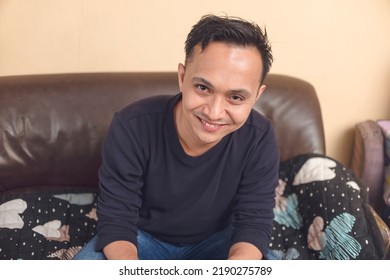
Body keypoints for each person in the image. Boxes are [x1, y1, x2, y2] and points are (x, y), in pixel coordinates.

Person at [73, 14, 279, 260]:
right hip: (140, 237)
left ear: (257, 96)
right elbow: (117, 221)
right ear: (182, 78)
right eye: (203, 88)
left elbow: (253, 225)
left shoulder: (260, 137)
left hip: (221, 240)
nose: (214, 113)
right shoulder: (132, 126)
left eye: (235, 97)